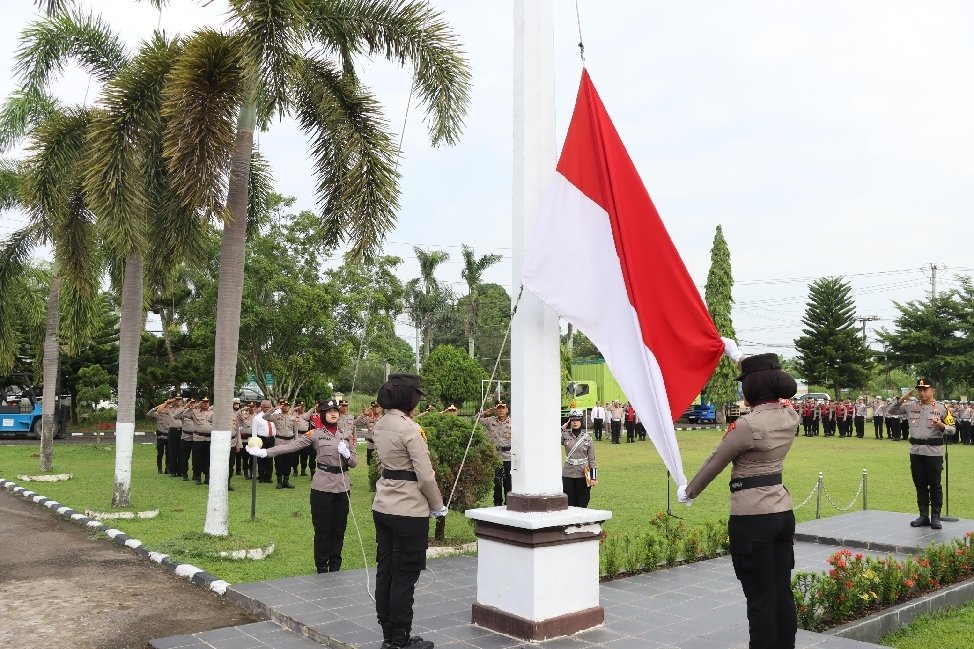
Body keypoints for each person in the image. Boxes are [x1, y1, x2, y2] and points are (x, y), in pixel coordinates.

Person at [679, 339, 799, 649]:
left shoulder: (746, 426)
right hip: (782, 513)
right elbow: (767, 379)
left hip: (752, 519)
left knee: (759, 598)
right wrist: (738, 356)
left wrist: (689, 491)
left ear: (753, 390)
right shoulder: (790, 416)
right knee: (781, 592)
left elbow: (715, 462)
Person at [371, 374, 445, 649]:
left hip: (384, 505)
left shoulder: (380, 425)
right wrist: (438, 506)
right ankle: (401, 638)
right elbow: (425, 476)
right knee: (405, 575)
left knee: (386, 571)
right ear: (408, 399)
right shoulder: (411, 429)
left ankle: (388, 633)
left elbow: (382, 464)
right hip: (409, 511)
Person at [247, 398, 357, 572]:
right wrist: (265, 452)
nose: (333, 413)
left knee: (339, 528)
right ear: (322, 415)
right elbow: (291, 446)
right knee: (323, 529)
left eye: (335, 410)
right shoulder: (315, 434)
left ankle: (335, 565)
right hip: (322, 487)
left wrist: (347, 454)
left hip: (342, 487)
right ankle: (321, 566)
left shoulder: (346, 435)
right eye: (329, 411)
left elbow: (354, 463)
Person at [886, 379, 955, 530]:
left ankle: (935, 517)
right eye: (920, 389)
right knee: (920, 484)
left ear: (933, 391)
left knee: (935, 485)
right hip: (916, 451)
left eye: (925, 389)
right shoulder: (911, 406)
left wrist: (941, 426)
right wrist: (902, 398)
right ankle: (923, 515)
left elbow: (953, 429)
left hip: (933, 452)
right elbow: (890, 411)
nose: (922, 392)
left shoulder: (942, 408)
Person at [478, 401, 512, 506]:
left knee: (508, 482)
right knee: (496, 483)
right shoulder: (490, 421)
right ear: (496, 410)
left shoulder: (513, 423)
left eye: (503, 408)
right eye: (498, 408)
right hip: (495, 457)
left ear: (507, 410)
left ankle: (509, 504)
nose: (501, 410)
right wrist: (485, 412)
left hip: (508, 457)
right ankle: (497, 504)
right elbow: (475, 421)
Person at [560, 409, 597, 507]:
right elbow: (551, 440)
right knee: (569, 502)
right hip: (568, 473)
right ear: (570, 422)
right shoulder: (565, 435)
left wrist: (593, 477)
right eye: (572, 420)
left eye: (577, 420)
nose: (575, 422)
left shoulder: (587, 438)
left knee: (583, 500)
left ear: (581, 421)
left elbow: (592, 459)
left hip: (584, 473)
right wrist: (561, 428)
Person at [251, 400, 277, 483]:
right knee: (261, 458)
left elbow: (275, 428)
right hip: (261, 439)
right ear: (261, 407)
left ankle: (268, 477)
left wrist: (275, 438)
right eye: (265, 407)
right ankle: (261, 476)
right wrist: (254, 442)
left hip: (271, 439)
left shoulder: (273, 416)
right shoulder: (257, 418)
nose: (267, 409)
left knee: (269, 457)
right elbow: (254, 431)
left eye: (269, 407)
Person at [146, 400, 169, 474]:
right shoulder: (158, 414)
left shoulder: (171, 414)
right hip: (160, 437)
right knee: (160, 454)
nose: (166, 406)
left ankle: (167, 469)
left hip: (169, 437)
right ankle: (159, 469)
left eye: (167, 404)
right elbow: (149, 413)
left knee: (168, 454)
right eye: (165, 404)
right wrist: (157, 407)